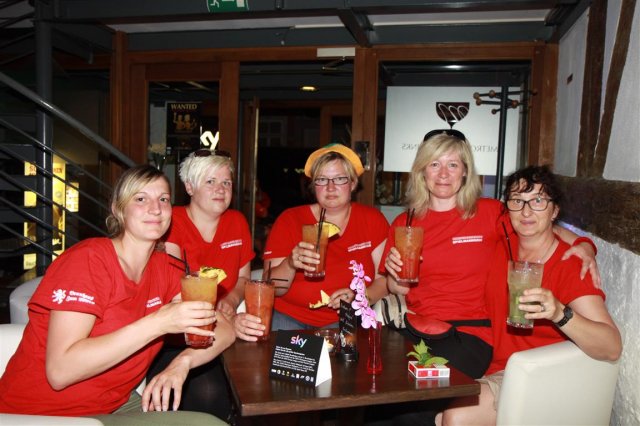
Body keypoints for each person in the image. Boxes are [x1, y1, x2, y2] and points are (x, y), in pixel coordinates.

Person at [0, 165, 234, 424]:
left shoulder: (166, 268)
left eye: (163, 199)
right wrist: (159, 322)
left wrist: (182, 364)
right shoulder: (88, 260)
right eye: (141, 199)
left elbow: (223, 328)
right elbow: (60, 371)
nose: (155, 209)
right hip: (43, 415)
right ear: (118, 209)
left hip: (114, 405)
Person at [382, 130, 600, 379]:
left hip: (468, 334)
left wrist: (584, 244)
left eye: (453, 165)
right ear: (422, 171)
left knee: (423, 387)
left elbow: (537, 224)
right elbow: (397, 289)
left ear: (465, 172)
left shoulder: (489, 212)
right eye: (434, 164)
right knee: (382, 380)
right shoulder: (405, 223)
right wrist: (395, 275)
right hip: (417, 328)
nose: (443, 174)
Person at [438, 165, 622, 426]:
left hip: (541, 376)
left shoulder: (569, 265)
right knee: (428, 404)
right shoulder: (502, 242)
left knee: (456, 417)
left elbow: (611, 347)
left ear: (554, 210)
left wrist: (559, 312)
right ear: (507, 208)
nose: (526, 211)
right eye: (517, 201)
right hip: (494, 365)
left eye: (538, 201)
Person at [147, 148, 254, 419]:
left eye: (226, 182)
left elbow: (244, 278)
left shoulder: (237, 221)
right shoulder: (170, 221)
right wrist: (225, 314)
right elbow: (177, 291)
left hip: (223, 333)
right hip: (176, 338)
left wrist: (230, 300)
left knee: (254, 380)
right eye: (210, 181)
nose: (221, 189)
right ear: (189, 187)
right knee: (209, 393)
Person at [251, 143, 389, 333]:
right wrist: (290, 264)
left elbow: (384, 280)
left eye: (339, 179)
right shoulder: (290, 220)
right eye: (322, 180)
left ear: (353, 183)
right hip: (288, 317)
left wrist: (361, 296)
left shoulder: (372, 220)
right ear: (313, 186)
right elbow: (272, 288)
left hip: (344, 318)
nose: (330, 187)